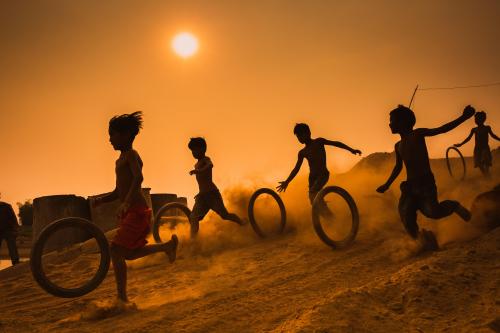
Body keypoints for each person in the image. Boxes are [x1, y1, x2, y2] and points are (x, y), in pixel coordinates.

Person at [93, 111, 178, 304]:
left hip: (138, 211)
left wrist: (126, 203)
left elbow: (139, 178)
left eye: (112, 134)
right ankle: (167, 246)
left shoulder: (132, 155)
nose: (109, 139)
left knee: (115, 250)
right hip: (132, 211)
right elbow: (118, 190)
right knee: (128, 254)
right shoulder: (119, 160)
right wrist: (102, 200)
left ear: (125, 135)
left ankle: (122, 298)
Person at [376, 105, 475, 249]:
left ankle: (455, 206)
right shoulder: (398, 145)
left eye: (393, 120)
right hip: (410, 187)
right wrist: (387, 184)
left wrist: (464, 117)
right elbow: (398, 167)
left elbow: (442, 129)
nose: (390, 124)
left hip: (425, 184)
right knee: (405, 214)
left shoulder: (417, 134)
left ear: (403, 122)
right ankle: (422, 239)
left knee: (433, 212)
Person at [277, 123, 361, 216]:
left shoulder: (319, 142)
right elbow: (296, 168)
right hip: (312, 178)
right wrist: (287, 181)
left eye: (301, 135)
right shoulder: (302, 152)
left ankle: (330, 218)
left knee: (314, 194)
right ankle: (328, 218)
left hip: (323, 175)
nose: (300, 138)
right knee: (314, 201)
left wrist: (351, 150)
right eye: (298, 136)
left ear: (308, 132)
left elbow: (336, 143)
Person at [187, 137, 246, 238]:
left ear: (202, 149)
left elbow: (210, 165)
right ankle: (193, 241)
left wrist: (199, 171)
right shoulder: (196, 164)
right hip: (202, 196)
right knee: (193, 217)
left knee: (225, 215)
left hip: (212, 194)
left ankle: (242, 222)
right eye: (192, 151)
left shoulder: (206, 160)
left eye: (195, 150)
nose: (193, 153)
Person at [454, 111, 500, 177]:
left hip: (485, 148)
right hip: (477, 149)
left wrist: (499, 139)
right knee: (479, 164)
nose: (476, 120)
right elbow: (468, 138)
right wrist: (460, 144)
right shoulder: (474, 129)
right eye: (475, 119)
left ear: (483, 119)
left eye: (478, 119)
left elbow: (493, 136)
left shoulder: (487, 128)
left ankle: (487, 175)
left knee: (486, 162)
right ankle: (486, 176)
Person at [0, 197, 20, 266]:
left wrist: (15, 230)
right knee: (12, 248)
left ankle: (16, 263)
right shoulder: (6, 206)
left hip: (8, 230)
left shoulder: (6, 206)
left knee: (12, 248)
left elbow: (13, 218)